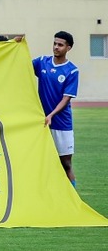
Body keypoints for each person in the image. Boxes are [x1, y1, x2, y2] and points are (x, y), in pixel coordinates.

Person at [33, 31, 78, 185]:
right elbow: (21, 64)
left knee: (66, 164)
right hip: (42, 122)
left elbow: (66, 99)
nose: (56, 47)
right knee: (41, 162)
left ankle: (73, 196)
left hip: (61, 124)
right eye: (54, 43)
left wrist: (51, 115)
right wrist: (14, 45)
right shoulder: (42, 62)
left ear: (68, 48)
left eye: (60, 45)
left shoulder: (72, 70)